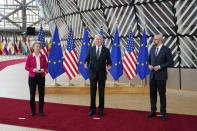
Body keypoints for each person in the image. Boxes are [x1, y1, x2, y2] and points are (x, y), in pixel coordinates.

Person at [147, 34, 173, 120]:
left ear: (160, 40)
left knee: (162, 95)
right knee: (152, 94)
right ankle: (153, 111)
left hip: (161, 76)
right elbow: (149, 61)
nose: (153, 40)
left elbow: (170, 62)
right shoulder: (152, 49)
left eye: (155, 39)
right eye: (154, 39)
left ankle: (163, 113)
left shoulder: (166, 50)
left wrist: (160, 66)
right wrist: (149, 66)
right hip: (152, 76)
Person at [84, 34, 112, 116]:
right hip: (92, 74)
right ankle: (92, 109)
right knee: (92, 93)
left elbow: (109, 62)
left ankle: (100, 110)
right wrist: (85, 64)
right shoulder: (90, 49)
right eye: (96, 39)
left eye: (99, 39)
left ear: (102, 40)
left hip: (102, 74)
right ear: (94, 40)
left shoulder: (106, 50)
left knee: (101, 93)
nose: (98, 41)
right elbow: (87, 60)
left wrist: (109, 66)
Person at [25, 41, 48, 116]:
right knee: (32, 94)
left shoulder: (43, 56)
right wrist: (34, 70)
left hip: (41, 77)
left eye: (39, 46)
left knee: (41, 94)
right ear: (33, 47)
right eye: (37, 46)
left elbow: (46, 66)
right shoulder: (29, 56)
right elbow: (26, 67)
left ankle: (41, 111)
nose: (38, 48)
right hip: (32, 77)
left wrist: (43, 70)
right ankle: (33, 111)